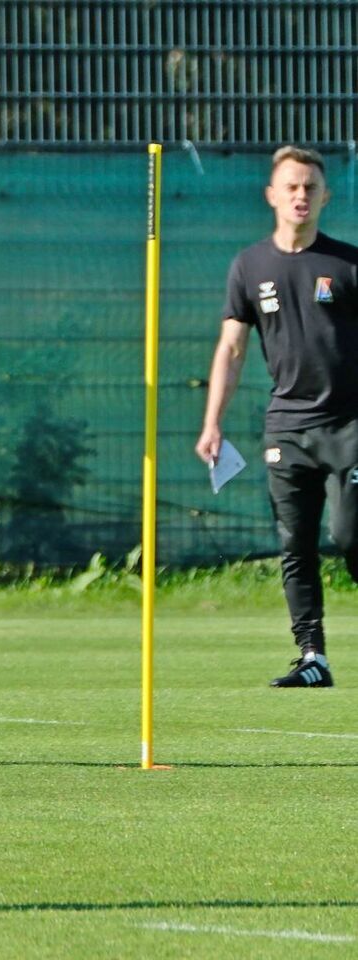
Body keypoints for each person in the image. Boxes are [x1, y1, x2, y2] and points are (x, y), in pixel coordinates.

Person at [196, 145, 358, 688]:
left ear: (325, 196)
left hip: (349, 426)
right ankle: (313, 656)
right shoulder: (250, 265)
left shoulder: (347, 265)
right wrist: (212, 421)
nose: (300, 196)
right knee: (296, 545)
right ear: (272, 195)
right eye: (291, 186)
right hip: (286, 427)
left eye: (310, 187)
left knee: (349, 534)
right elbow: (233, 347)